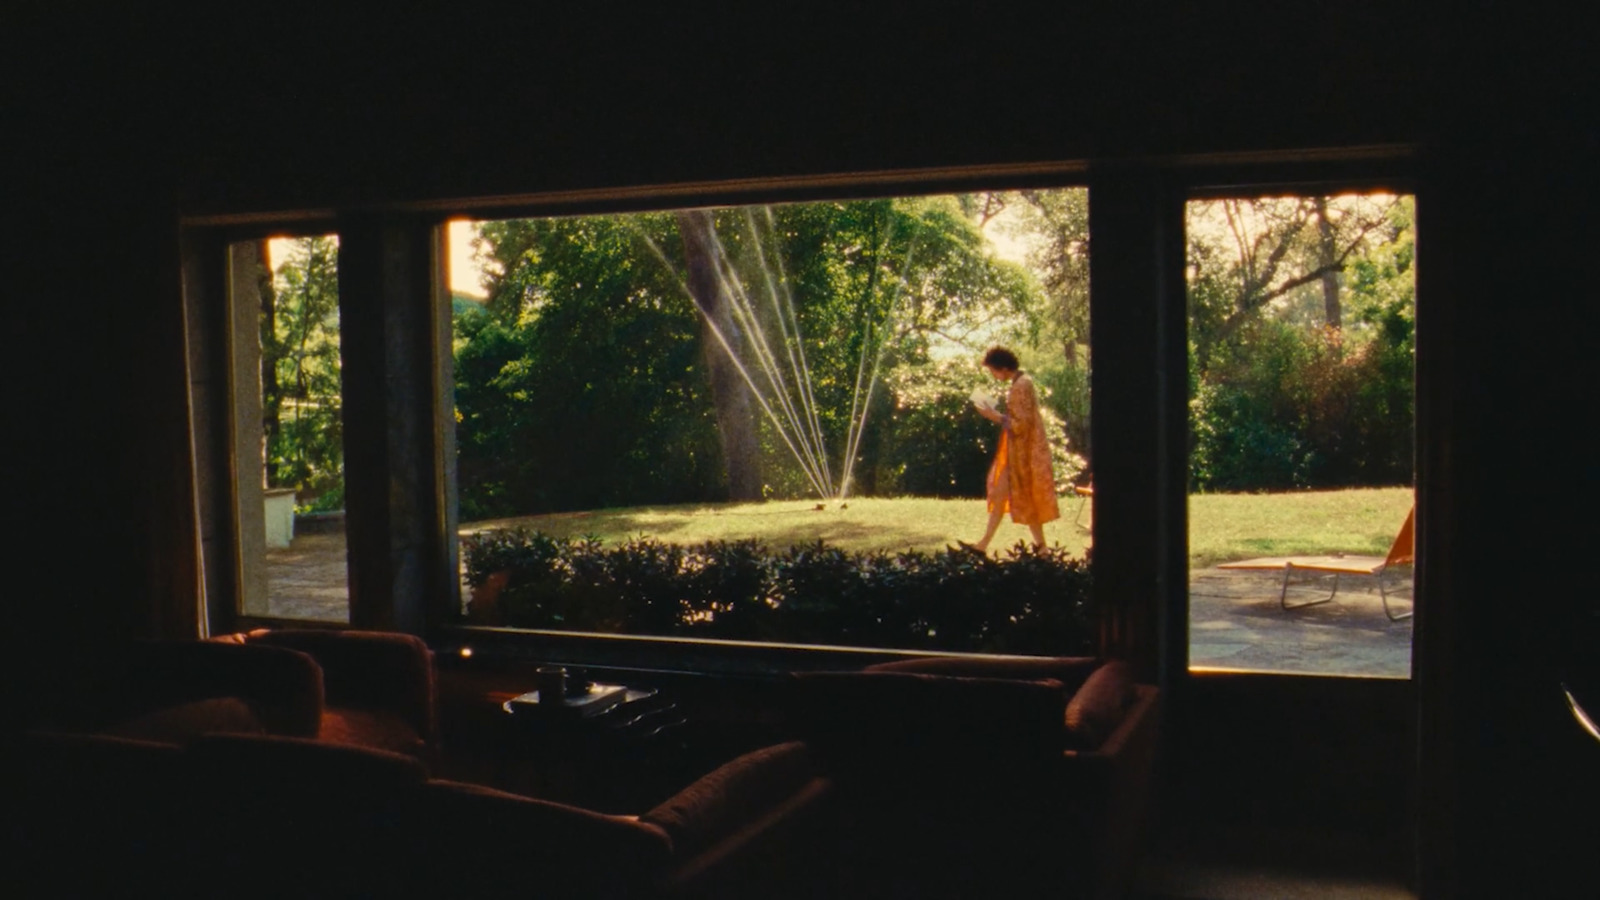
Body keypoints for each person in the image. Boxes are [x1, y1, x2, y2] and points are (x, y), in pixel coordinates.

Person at [970, 346, 1060, 551]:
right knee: (1000, 495)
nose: (993, 376)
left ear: (1002, 368)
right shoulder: (1021, 382)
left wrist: (992, 415)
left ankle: (1042, 550)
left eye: (993, 371)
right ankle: (983, 545)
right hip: (1017, 450)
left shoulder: (1021, 385)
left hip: (1023, 452)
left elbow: (1021, 424)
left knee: (1023, 497)